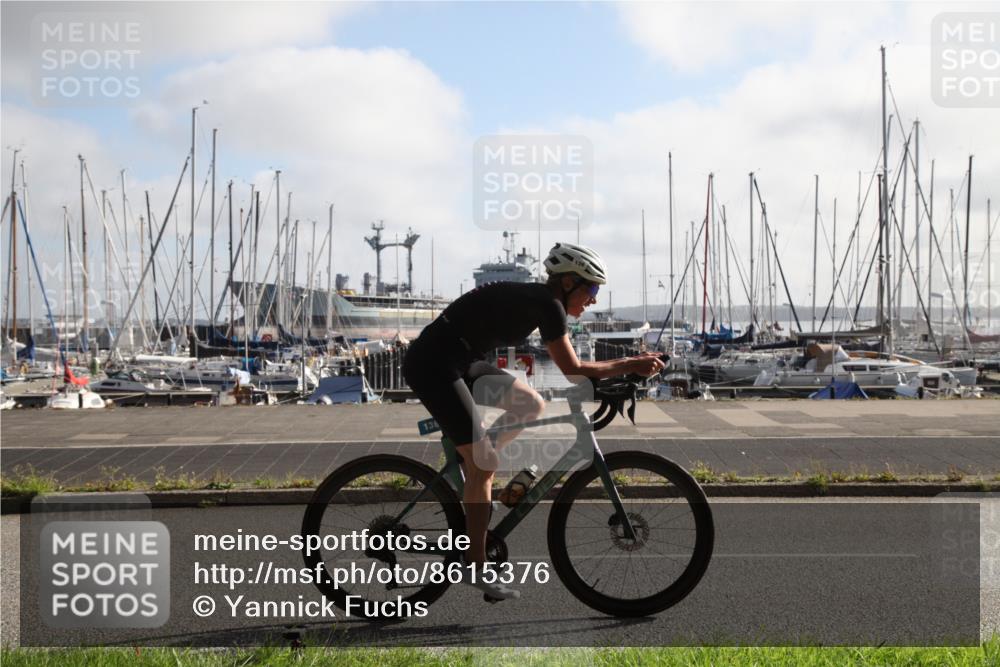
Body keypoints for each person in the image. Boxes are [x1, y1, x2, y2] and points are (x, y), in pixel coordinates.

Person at [402, 242, 665, 600]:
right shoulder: (548, 304)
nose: (593, 300)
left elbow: (575, 369)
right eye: (591, 289)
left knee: (530, 404)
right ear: (569, 282)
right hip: (433, 365)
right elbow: (573, 369)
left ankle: (477, 487)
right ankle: (474, 565)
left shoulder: (544, 301)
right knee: (485, 463)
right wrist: (630, 364)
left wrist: (626, 367)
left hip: (459, 361)